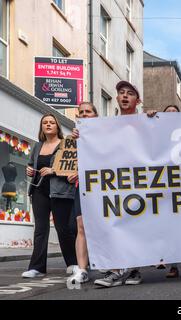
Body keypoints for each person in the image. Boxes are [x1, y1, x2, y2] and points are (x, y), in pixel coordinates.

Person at [93, 81, 144, 287]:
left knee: (137, 225)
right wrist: (82, 136)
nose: (124, 96)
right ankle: (115, 270)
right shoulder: (107, 126)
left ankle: (134, 270)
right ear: (116, 98)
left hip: (140, 183)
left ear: (137, 100)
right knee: (116, 224)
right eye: (121, 93)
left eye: (130, 93)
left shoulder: (145, 123)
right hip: (115, 183)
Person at [22, 114, 77, 278]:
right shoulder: (37, 146)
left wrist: (53, 171)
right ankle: (37, 267)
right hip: (39, 191)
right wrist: (29, 170)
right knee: (40, 229)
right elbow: (32, 165)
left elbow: (72, 166)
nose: (48, 124)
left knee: (63, 229)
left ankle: (73, 263)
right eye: (45, 122)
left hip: (60, 191)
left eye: (51, 122)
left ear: (57, 126)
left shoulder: (66, 144)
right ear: (41, 127)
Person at [147, 104, 181, 279]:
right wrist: (148, 117)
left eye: (175, 113)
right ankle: (173, 266)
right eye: (167, 113)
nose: (171, 116)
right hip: (166, 187)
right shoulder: (159, 135)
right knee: (170, 228)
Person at [67, 102, 99, 285]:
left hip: (104, 185)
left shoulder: (108, 132)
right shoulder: (74, 138)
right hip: (83, 185)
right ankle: (82, 269)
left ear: (96, 115)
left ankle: (113, 265)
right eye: (81, 112)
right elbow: (67, 163)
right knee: (81, 225)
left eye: (88, 111)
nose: (84, 114)